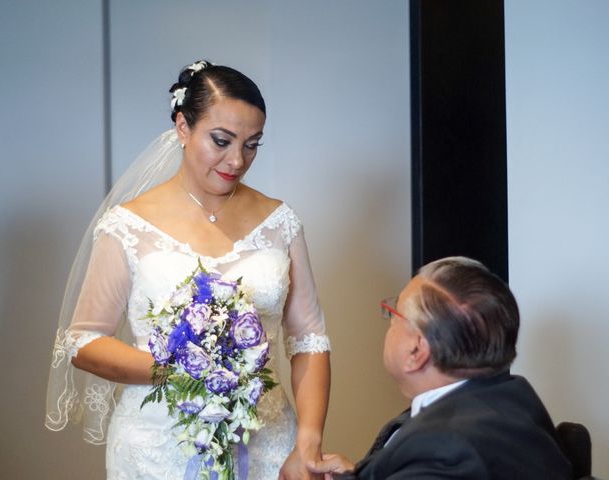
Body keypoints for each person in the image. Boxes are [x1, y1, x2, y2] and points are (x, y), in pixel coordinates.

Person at [46, 60, 331, 479]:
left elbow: (309, 339)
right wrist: (185, 370)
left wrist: (308, 441)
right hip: (157, 446)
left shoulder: (280, 222)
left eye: (252, 144)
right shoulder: (128, 225)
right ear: (183, 127)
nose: (237, 160)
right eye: (221, 140)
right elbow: (84, 342)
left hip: (266, 440)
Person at [307, 256, 571, 479]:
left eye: (394, 314)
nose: (388, 322)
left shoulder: (445, 450)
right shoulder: (514, 398)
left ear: (416, 351)